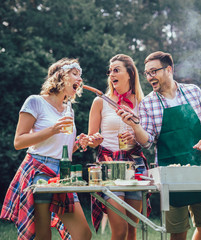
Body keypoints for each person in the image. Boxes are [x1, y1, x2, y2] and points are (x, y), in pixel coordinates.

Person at [117, 51, 201, 240]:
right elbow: (147, 141)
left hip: (200, 169)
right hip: (171, 175)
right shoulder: (148, 103)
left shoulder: (193, 92)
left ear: (169, 70)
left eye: (153, 71)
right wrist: (135, 125)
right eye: (147, 73)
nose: (149, 77)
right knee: (177, 233)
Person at [0, 58, 92, 240]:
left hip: (63, 173)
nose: (79, 79)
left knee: (83, 234)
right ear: (60, 76)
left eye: (80, 76)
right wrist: (53, 129)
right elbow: (19, 141)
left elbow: (60, 149)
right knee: (42, 235)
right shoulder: (35, 102)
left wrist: (79, 144)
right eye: (75, 74)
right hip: (39, 171)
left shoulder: (69, 110)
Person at [88, 54, 148, 240]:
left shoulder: (142, 102)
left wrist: (134, 138)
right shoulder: (100, 102)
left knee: (132, 229)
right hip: (110, 165)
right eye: (110, 71)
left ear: (129, 73)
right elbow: (91, 138)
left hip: (135, 163)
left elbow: (146, 138)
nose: (111, 74)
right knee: (119, 230)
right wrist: (94, 140)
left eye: (116, 70)